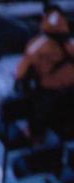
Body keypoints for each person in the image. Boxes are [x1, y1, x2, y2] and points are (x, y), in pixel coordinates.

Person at [13, 4, 74, 142]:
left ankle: (37, 145)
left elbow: (20, 74)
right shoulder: (71, 44)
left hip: (49, 100)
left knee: (36, 120)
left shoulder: (36, 46)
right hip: (71, 98)